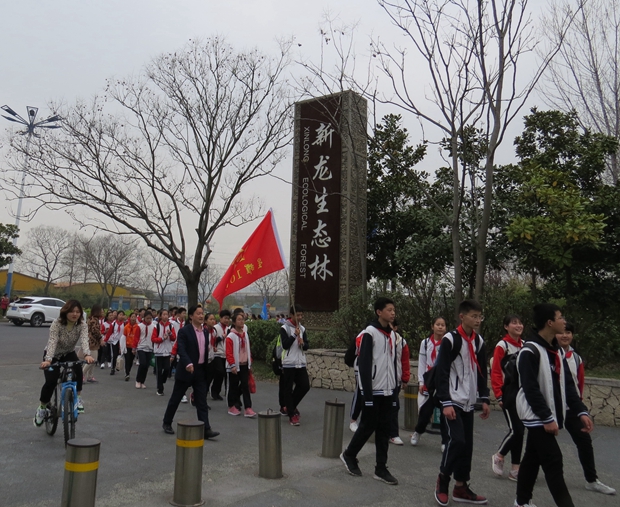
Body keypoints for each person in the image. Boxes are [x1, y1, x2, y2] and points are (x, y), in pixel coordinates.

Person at [515, 303, 593, 507]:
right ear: (550, 323)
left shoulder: (556, 351)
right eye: (560, 318)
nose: (564, 321)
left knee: (532, 459)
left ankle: (521, 502)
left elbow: (568, 385)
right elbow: (530, 389)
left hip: (547, 416)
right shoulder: (530, 351)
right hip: (535, 416)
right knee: (553, 461)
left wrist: (581, 411)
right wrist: (547, 417)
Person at [434, 299, 490, 506]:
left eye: (479, 316)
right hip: (453, 400)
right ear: (462, 317)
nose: (477, 320)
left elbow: (482, 371)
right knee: (456, 441)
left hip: (469, 401)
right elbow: (442, 372)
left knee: (467, 446)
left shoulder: (478, 341)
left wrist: (484, 398)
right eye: (474, 316)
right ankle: (443, 480)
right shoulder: (450, 339)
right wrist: (446, 402)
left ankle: (461, 487)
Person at [340, 297, 399, 486]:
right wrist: (367, 394)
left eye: (393, 310)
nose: (392, 313)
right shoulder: (370, 333)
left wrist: (395, 387)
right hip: (373, 390)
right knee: (367, 426)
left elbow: (392, 363)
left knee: (384, 429)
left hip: (388, 390)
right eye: (389, 310)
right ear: (379, 312)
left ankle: (381, 468)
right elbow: (364, 365)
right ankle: (349, 454)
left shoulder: (392, 335)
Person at [556, 323, 615, 495]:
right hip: (553, 407)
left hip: (572, 408)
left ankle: (592, 480)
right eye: (561, 332)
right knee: (540, 443)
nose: (565, 336)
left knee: (584, 442)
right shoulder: (548, 354)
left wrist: (580, 408)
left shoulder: (576, 358)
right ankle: (522, 472)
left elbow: (578, 384)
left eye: (568, 332)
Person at [34, 300, 95, 427]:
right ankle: (42, 408)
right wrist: (48, 360)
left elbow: (84, 340)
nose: (75, 314)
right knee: (51, 381)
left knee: (78, 369)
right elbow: (52, 341)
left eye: (78, 312)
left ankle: (78, 398)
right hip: (53, 355)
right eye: (72, 311)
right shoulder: (57, 323)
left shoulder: (82, 325)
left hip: (68, 353)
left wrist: (87, 354)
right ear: (65, 312)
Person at [162, 305, 220, 439]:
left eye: (202, 313)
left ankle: (206, 429)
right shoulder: (184, 331)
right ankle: (167, 422)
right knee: (176, 398)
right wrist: (188, 363)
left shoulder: (205, 331)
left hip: (200, 371)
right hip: (186, 370)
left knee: (202, 401)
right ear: (191, 316)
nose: (201, 316)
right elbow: (181, 349)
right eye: (198, 313)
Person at [491, 315, 525, 481]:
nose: (518, 326)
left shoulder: (525, 345)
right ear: (506, 327)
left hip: (522, 394)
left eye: (520, 322)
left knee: (520, 431)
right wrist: (499, 393)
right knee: (516, 430)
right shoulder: (502, 346)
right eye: (514, 323)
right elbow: (496, 371)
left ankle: (515, 469)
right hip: (508, 393)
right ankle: (499, 455)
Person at [411, 317, 447, 447]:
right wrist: (421, 382)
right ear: (432, 326)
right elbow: (422, 363)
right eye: (438, 324)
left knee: (445, 413)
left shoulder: (448, 343)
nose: (440, 327)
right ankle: (418, 431)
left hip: (443, 381)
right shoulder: (425, 343)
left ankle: (445, 441)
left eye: (443, 325)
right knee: (425, 412)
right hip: (429, 380)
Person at [280, 305, 310, 426]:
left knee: (305, 386)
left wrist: (303, 343)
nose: (300, 317)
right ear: (291, 315)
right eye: (298, 315)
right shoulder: (284, 328)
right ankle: (292, 415)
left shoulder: (302, 328)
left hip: (300, 362)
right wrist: (294, 336)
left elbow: (307, 346)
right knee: (288, 389)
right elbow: (285, 345)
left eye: (301, 315)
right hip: (289, 363)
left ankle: (290, 406)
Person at [226, 312, 256, 417]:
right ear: (234, 322)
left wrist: (249, 362)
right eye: (239, 320)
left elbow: (248, 349)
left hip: (244, 364)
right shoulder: (231, 336)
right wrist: (232, 364)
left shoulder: (245, 334)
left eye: (242, 319)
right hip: (235, 365)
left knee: (245, 386)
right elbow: (229, 352)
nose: (241, 321)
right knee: (233, 386)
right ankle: (231, 406)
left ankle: (248, 407)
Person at [389, 321, 410, 445]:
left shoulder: (401, 342)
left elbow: (405, 361)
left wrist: (405, 378)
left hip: (395, 380)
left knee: (394, 406)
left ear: (395, 328)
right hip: (382, 381)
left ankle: (393, 434)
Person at [152, 309, 176, 396]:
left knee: (167, 369)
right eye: (164, 314)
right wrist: (162, 338)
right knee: (159, 370)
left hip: (168, 351)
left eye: (167, 314)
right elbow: (153, 339)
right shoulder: (156, 326)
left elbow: (174, 338)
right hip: (159, 351)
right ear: (160, 316)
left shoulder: (171, 326)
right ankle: (160, 389)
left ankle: (162, 380)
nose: (165, 316)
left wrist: (170, 334)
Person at [210, 309, 230, 401]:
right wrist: (221, 337)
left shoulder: (228, 329)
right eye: (225, 318)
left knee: (221, 374)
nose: (226, 320)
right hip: (216, 353)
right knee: (220, 371)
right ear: (221, 318)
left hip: (225, 354)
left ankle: (216, 392)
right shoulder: (215, 328)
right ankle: (213, 391)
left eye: (228, 318)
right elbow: (212, 340)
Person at [135, 311, 156, 389]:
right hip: (141, 347)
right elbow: (136, 337)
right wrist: (134, 347)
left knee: (147, 366)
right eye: (147, 318)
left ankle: (142, 381)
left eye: (150, 318)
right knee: (142, 364)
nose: (149, 320)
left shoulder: (154, 326)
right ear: (144, 318)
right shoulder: (139, 326)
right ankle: (138, 380)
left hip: (149, 348)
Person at [83, 305, 103, 383]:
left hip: (90, 341)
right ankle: (82, 374)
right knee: (93, 360)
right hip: (93, 342)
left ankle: (90, 376)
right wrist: (101, 338)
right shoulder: (94, 320)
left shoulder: (91, 318)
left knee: (92, 360)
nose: (102, 312)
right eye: (101, 310)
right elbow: (95, 331)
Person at [104, 310, 125, 375]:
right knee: (114, 355)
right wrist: (105, 340)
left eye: (122, 315)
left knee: (120, 355)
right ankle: (112, 368)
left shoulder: (124, 324)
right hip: (114, 341)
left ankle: (118, 366)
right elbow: (109, 333)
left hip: (122, 341)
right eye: (120, 314)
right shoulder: (114, 323)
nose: (121, 316)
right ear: (117, 315)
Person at [123, 312, 140, 381]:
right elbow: (123, 337)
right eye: (132, 317)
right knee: (127, 359)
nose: (133, 318)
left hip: (134, 347)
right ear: (129, 318)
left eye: (134, 317)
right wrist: (121, 347)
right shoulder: (126, 327)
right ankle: (127, 373)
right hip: (127, 346)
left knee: (131, 360)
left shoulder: (138, 327)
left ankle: (128, 371)